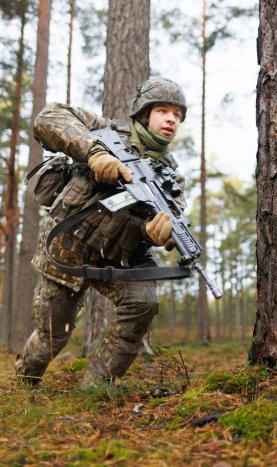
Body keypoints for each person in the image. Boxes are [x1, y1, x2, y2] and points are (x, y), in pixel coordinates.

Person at [14, 77, 188, 388]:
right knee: (51, 336)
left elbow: (167, 219)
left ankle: (96, 386)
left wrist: (153, 233)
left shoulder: (171, 177)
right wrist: (93, 153)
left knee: (142, 303)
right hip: (69, 250)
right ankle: (25, 383)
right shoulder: (104, 130)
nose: (171, 119)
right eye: (163, 110)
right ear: (144, 113)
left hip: (119, 262)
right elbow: (48, 117)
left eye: (177, 114)